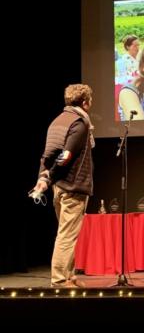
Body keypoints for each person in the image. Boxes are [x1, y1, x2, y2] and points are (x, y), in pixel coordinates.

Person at [31, 84, 95, 288]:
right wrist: (48, 176)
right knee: (67, 236)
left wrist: (44, 178)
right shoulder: (79, 123)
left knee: (67, 233)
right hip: (73, 186)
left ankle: (70, 276)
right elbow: (65, 156)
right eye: (90, 100)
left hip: (59, 187)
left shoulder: (57, 121)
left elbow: (47, 155)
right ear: (85, 102)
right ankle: (59, 281)